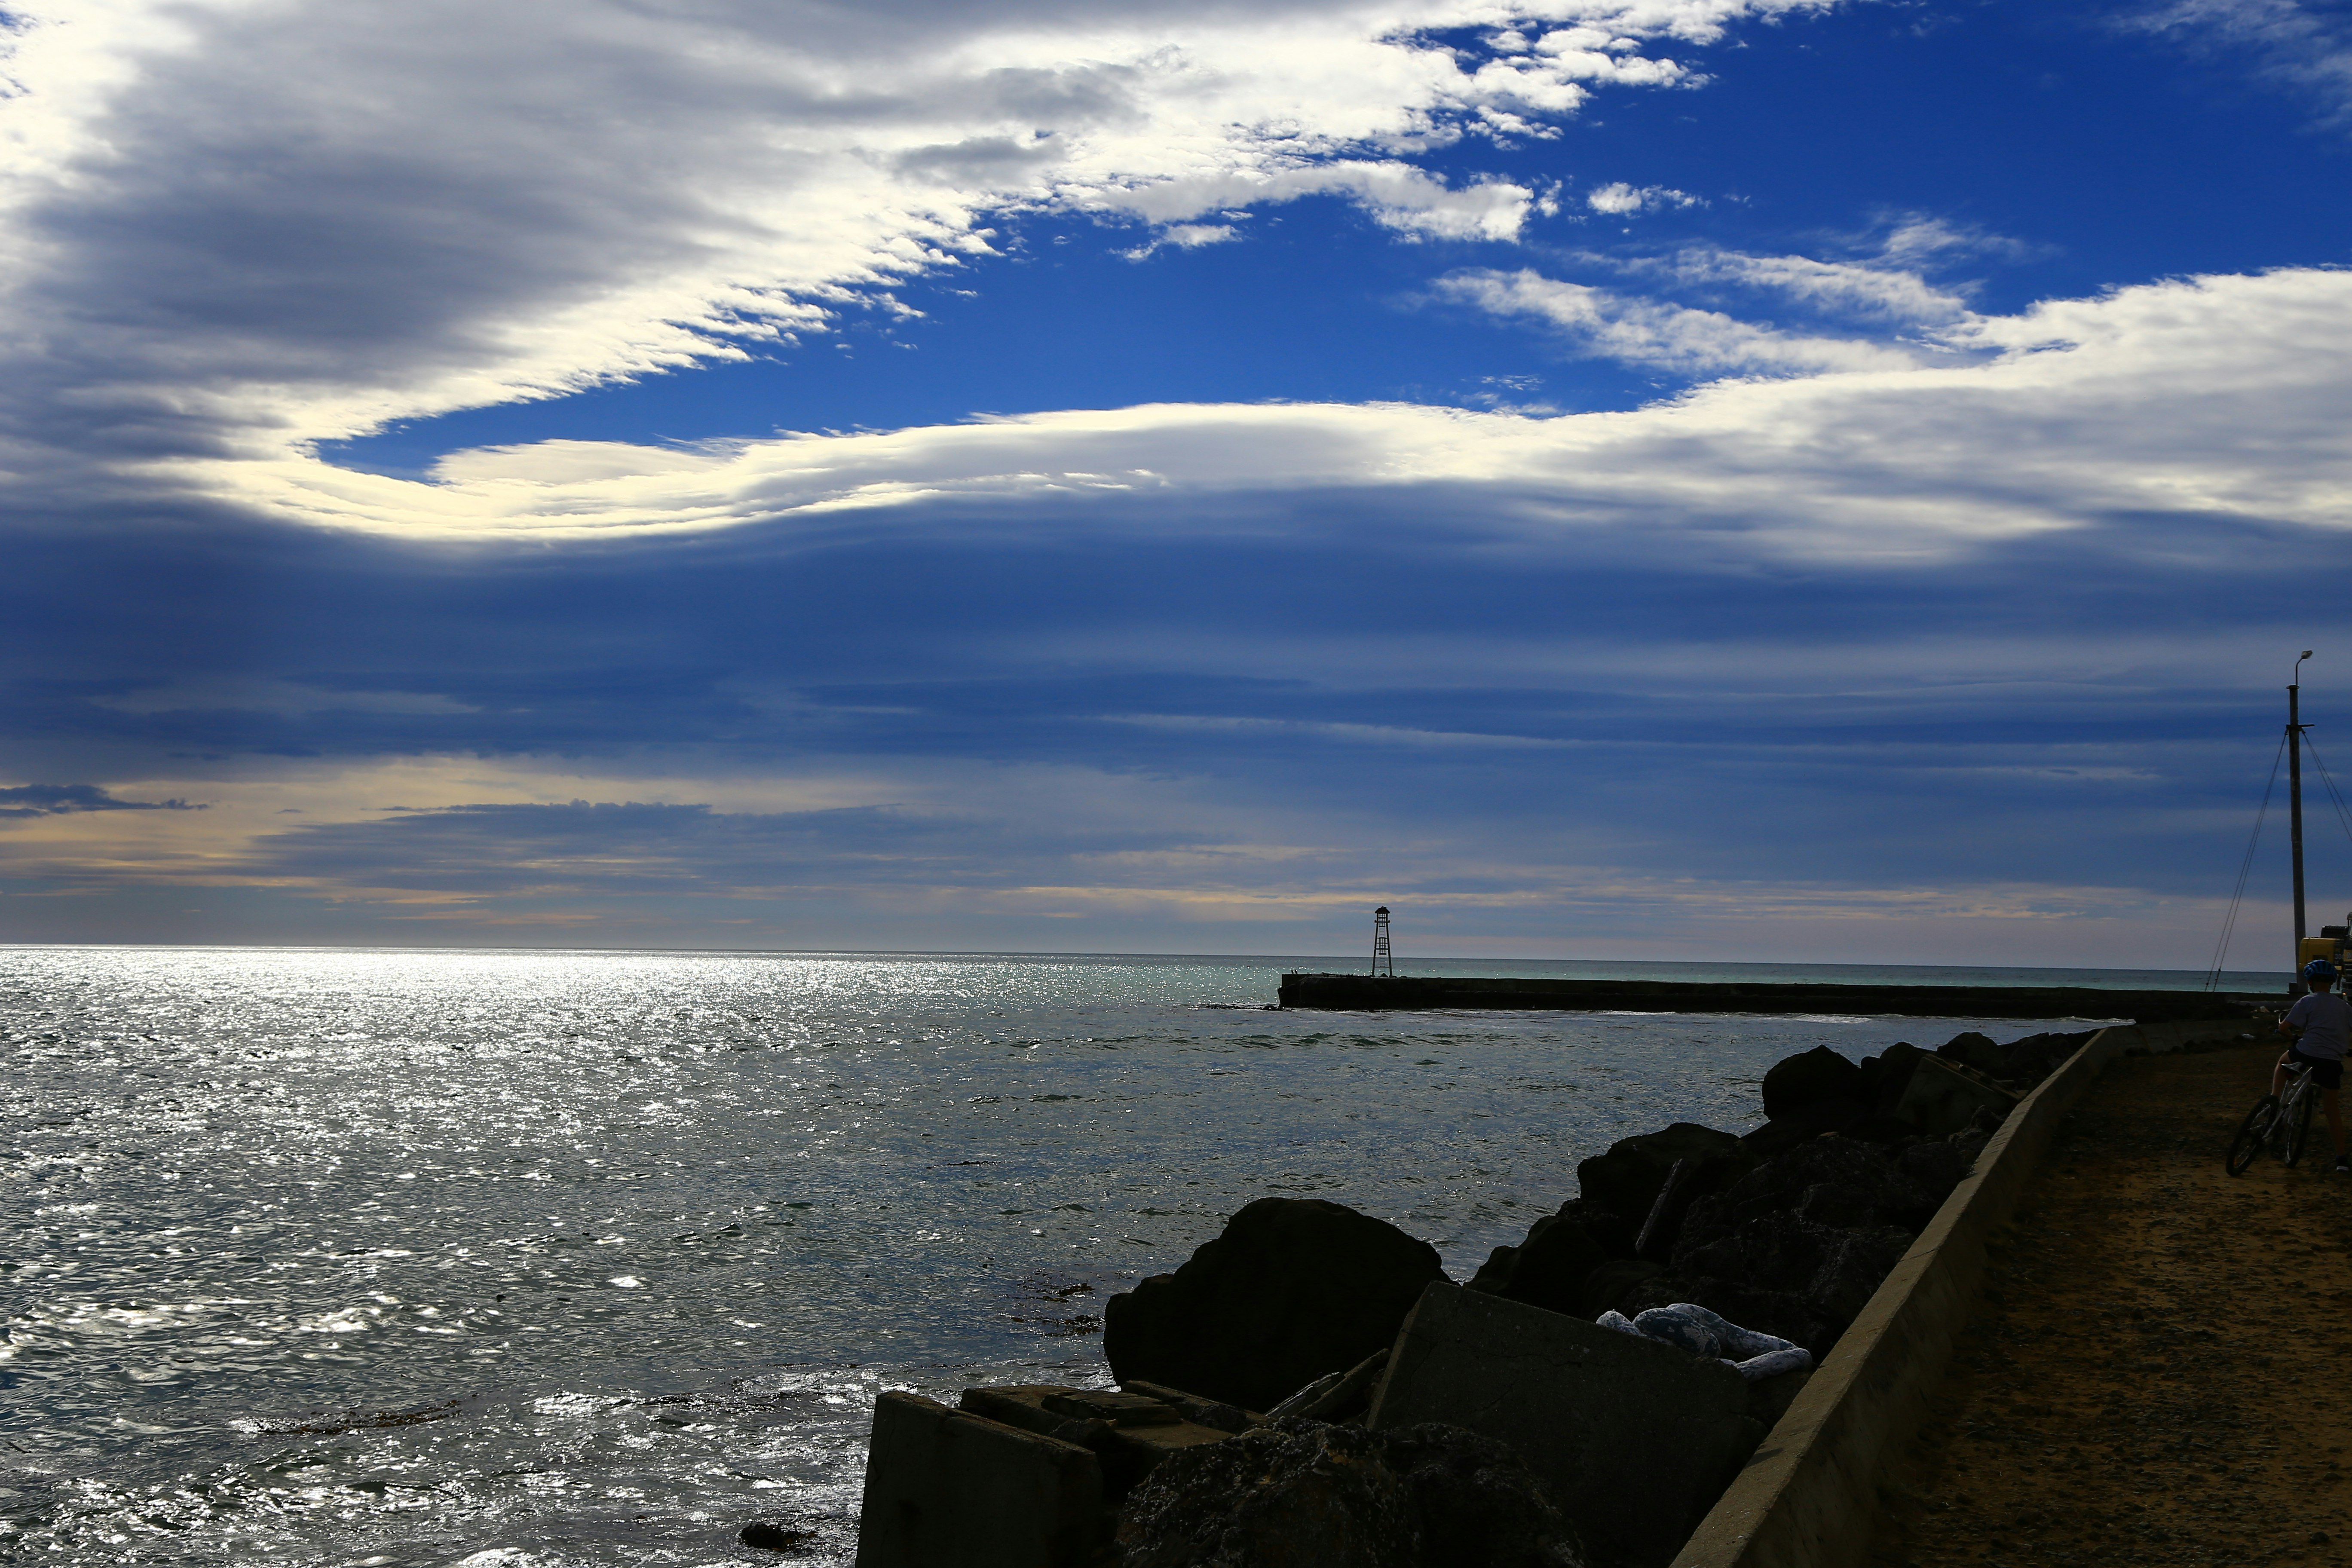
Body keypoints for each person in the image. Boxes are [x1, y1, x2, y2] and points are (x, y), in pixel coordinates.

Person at [2277, 958, 2352, 1173]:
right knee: (2332, 1111)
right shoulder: (2345, 1007)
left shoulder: (2307, 1002)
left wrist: (2291, 1036)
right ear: (2332, 982)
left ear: (2310, 982)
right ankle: (2341, 1160)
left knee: (2283, 1062)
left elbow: (2284, 1028)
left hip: (2307, 1053)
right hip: (2331, 1062)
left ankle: (2274, 1102)